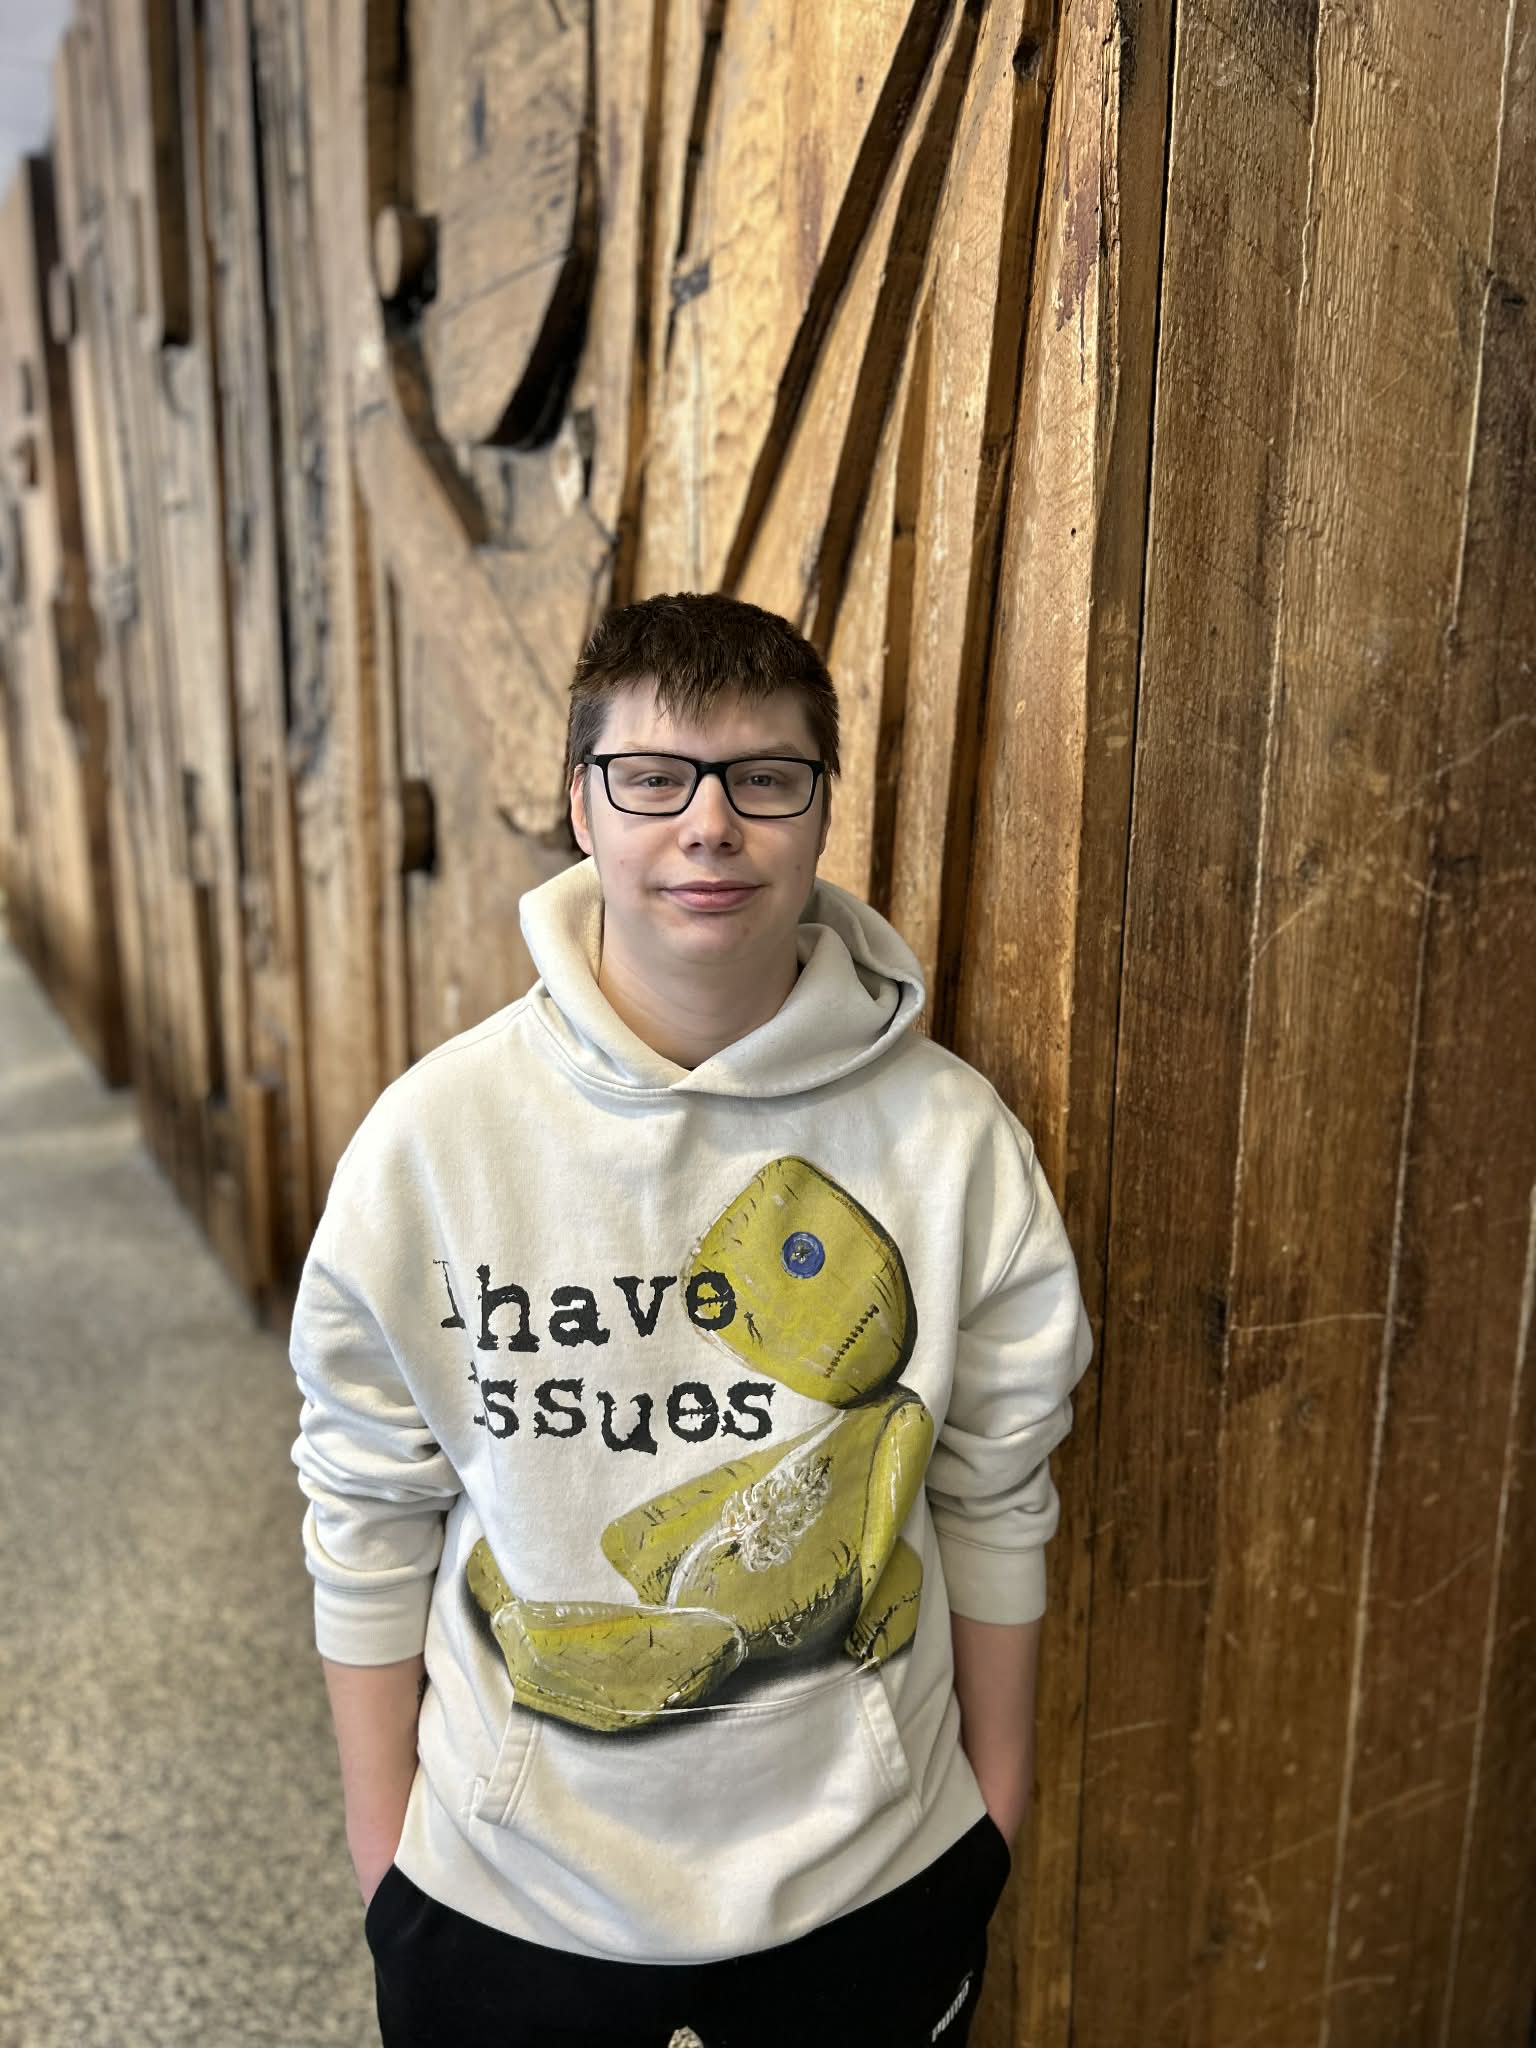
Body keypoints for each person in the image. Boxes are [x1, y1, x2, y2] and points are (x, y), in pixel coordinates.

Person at [289, 590, 1094, 2048]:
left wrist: (993, 1811)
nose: (708, 826)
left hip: (871, 1881)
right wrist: (381, 1853)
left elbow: (994, 1487)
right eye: (653, 778)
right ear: (581, 807)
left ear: (821, 806)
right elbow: (367, 1503)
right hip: (503, 1897)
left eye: (763, 778)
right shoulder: (432, 1142)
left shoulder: (954, 1142)